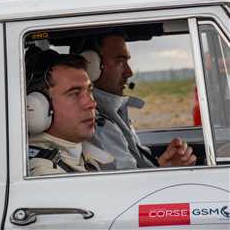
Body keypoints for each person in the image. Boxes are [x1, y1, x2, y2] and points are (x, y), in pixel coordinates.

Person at [79, 32, 197, 170]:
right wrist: (168, 170)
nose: (129, 72)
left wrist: (164, 164)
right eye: (120, 61)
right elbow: (131, 186)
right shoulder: (96, 125)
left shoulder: (113, 114)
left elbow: (135, 171)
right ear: (91, 64)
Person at [25, 48, 113, 175]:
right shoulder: (45, 175)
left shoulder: (79, 154)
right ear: (38, 106)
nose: (91, 103)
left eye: (89, 90)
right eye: (74, 93)